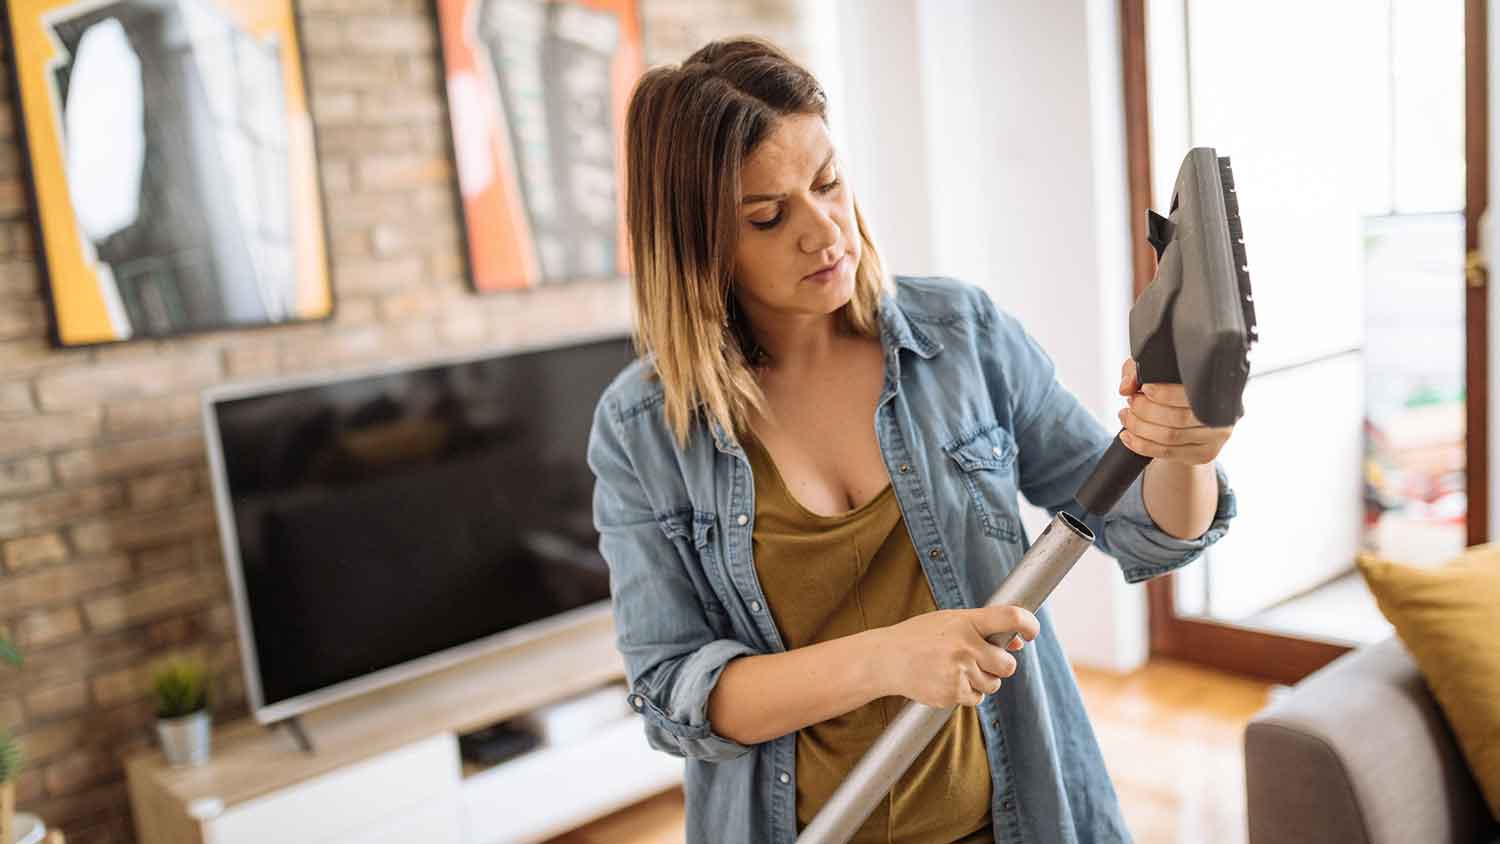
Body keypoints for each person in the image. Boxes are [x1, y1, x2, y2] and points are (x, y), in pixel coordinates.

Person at [586, 35, 1237, 844]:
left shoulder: (961, 335)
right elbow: (671, 692)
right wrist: (885, 658)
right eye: (767, 216)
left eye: (828, 182)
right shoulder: (643, 428)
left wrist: (1184, 452)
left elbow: (1145, 527)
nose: (824, 232)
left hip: (1020, 820)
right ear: (696, 246)